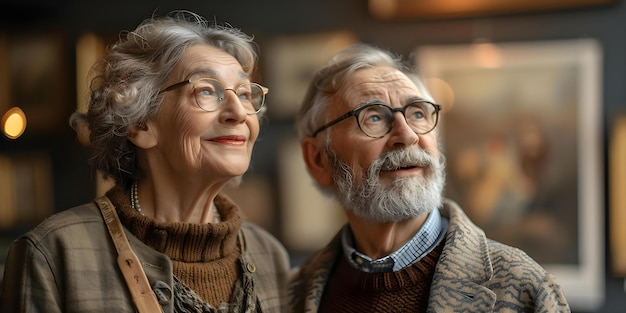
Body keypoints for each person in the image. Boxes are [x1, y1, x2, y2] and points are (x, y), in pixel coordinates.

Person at [0, 11, 290, 313]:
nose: (239, 112)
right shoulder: (55, 252)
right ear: (140, 124)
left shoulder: (269, 256)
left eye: (244, 93)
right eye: (206, 91)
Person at [288, 44, 570, 312]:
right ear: (318, 158)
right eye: (373, 117)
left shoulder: (523, 289)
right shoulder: (292, 296)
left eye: (418, 113)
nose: (408, 135)